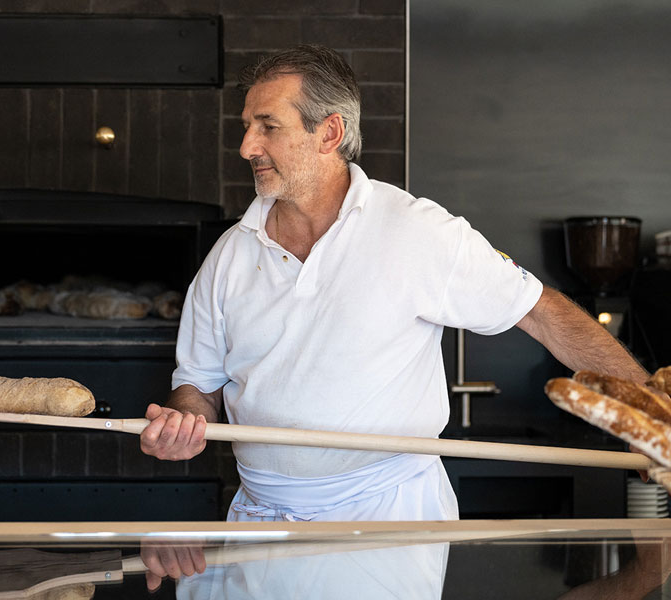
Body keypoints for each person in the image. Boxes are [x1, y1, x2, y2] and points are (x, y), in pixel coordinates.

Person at [139, 44, 650, 524]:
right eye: (248, 126)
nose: (247, 146)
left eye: (267, 126)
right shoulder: (229, 255)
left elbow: (539, 311)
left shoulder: (415, 230)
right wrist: (184, 421)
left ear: (330, 133)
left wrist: (650, 410)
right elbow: (198, 385)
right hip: (261, 511)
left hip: (387, 512)